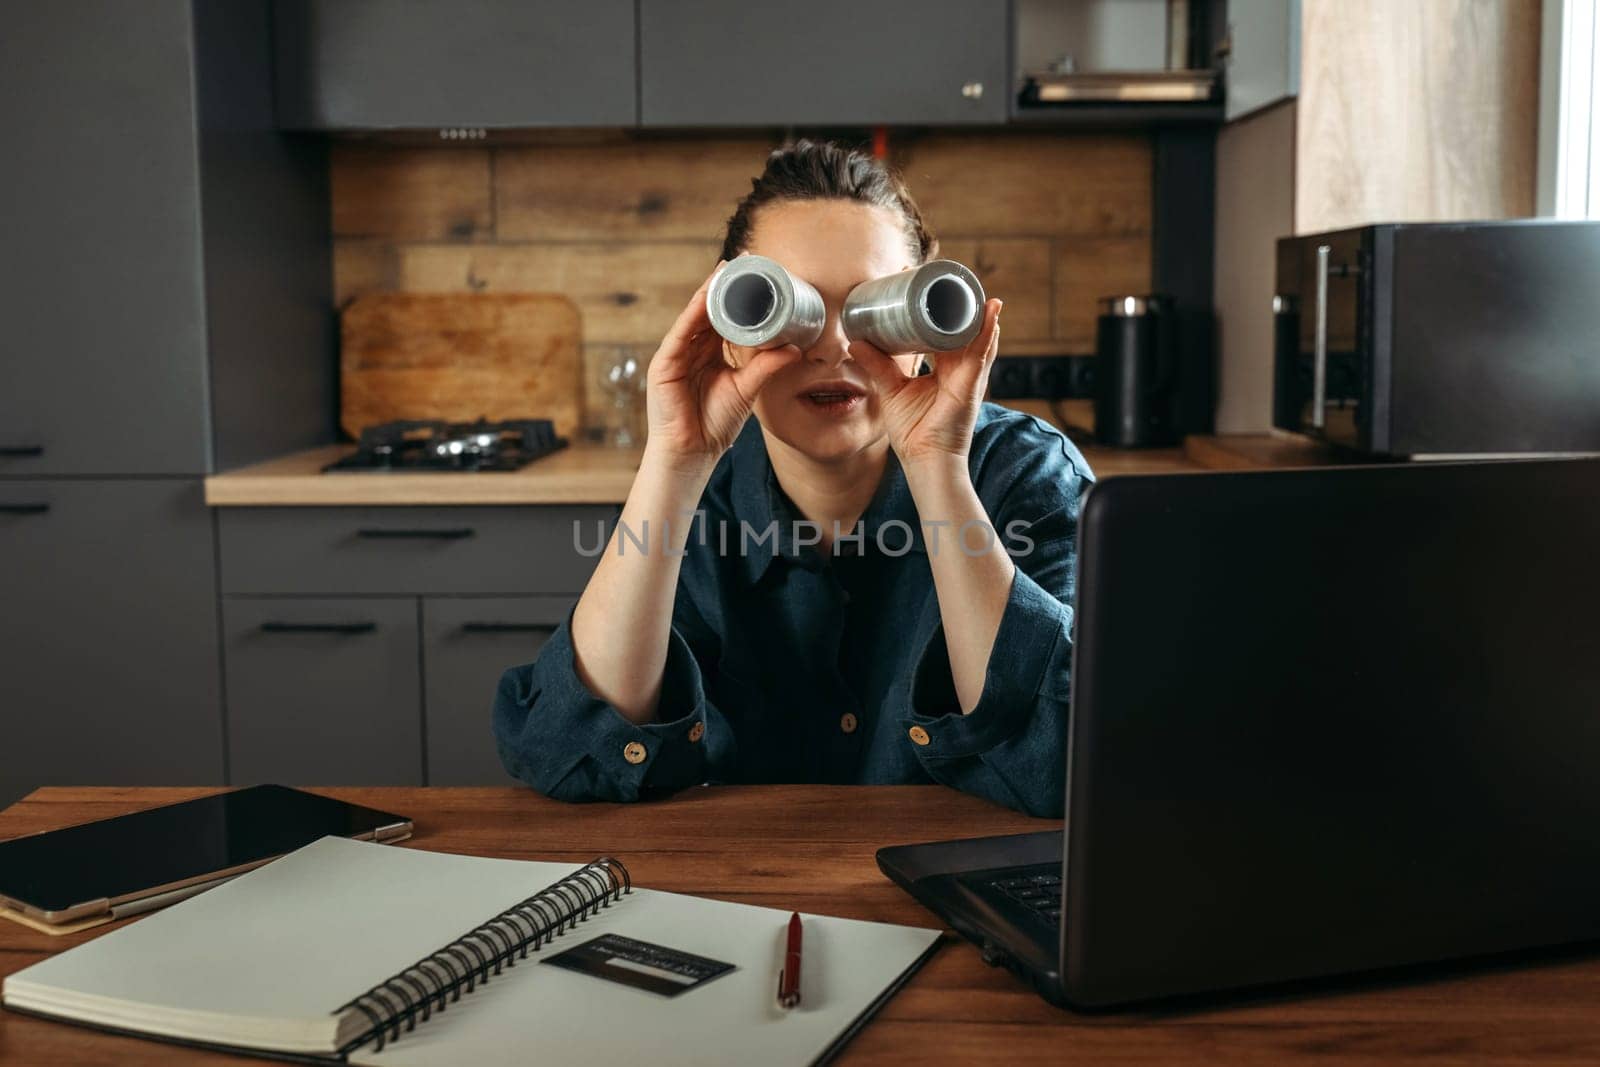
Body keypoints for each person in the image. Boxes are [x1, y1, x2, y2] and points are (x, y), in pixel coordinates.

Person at [493, 139, 1093, 818]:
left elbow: (1074, 758)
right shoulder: (700, 499)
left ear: (928, 328)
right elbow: (570, 754)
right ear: (731, 325)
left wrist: (937, 464)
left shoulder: (1022, 473)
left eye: (874, 309)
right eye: (791, 307)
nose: (835, 345)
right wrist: (674, 462)